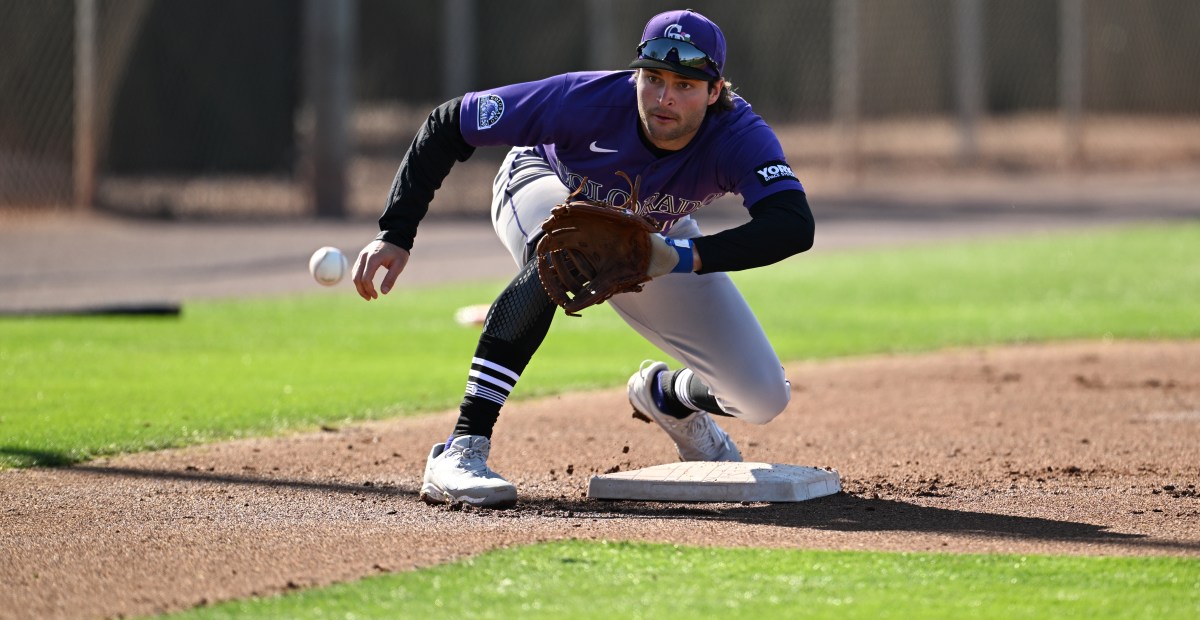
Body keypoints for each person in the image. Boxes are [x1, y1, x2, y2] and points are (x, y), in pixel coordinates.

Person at [353, 9, 815, 508]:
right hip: (542, 183)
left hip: (655, 231)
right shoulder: (583, 99)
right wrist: (395, 233)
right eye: (653, 77)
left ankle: (667, 396)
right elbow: (448, 123)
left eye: (685, 84)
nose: (663, 97)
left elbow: (792, 224)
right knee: (565, 253)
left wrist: (682, 255)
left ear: (715, 90)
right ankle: (461, 449)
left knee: (764, 396)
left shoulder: (738, 135)